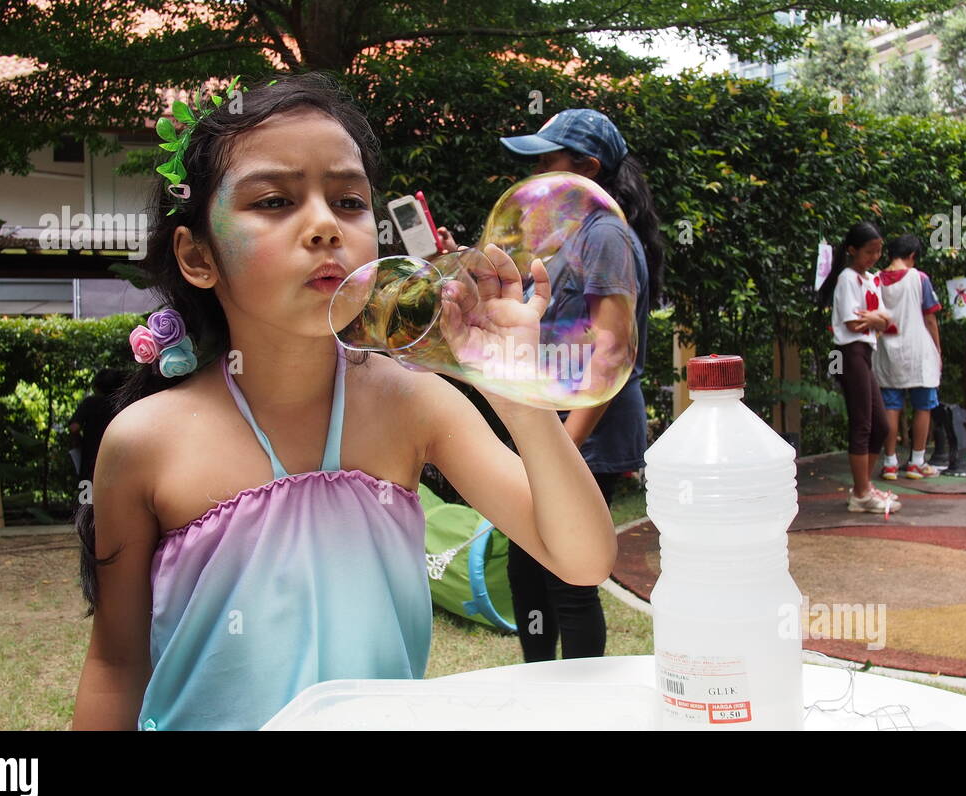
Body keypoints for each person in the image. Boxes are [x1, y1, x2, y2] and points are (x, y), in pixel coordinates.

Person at [70, 73, 618, 730]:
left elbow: (583, 556)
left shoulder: (412, 404)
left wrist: (516, 393)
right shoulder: (145, 442)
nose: (325, 225)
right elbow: (116, 663)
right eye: (274, 201)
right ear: (197, 256)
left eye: (350, 201)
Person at [440, 109, 662, 662]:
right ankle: (539, 689)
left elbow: (610, 348)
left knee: (569, 579)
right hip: (556, 421)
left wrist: (560, 443)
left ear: (585, 168)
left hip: (589, 424)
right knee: (527, 563)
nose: (533, 172)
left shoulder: (607, 234)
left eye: (545, 159)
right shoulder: (572, 236)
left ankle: (580, 706)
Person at [819, 222, 900, 515]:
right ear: (852, 250)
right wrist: (879, 320)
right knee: (863, 423)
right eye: (869, 251)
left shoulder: (870, 279)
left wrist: (878, 320)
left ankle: (863, 488)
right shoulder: (847, 279)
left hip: (866, 351)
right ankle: (862, 492)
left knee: (881, 425)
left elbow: (888, 321)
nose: (875, 256)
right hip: (849, 353)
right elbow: (855, 323)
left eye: (879, 251)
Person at [872, 234, 942, 480]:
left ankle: (890, 463)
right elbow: (930, 318)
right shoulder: (919, 278)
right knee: (923, 406)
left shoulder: (876, 279)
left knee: (891, 406)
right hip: (918, 350)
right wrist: (937, 349)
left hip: (887, 352)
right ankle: (917, 462)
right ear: (912, 256)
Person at [67, 368, 125, 484]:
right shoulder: (123, 404)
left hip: (90, 463)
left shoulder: (90, 403)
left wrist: (77, 443)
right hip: (118, 463)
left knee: (88, 499)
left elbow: (74, 427)